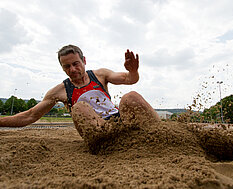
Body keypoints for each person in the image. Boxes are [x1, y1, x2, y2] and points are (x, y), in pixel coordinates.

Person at [0, 45, 160, 142]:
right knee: (79, 108)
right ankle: (108, 145)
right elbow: (30, 115)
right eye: (67, 66)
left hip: (120, 123)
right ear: (62, 67)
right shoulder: (60, 91)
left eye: (76, 64)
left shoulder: (100, 75)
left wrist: (133, 70)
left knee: (130, 96)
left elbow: (130, 79)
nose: (73, 69)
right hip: (98, 131)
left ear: (84, 60)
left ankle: (162, 135)